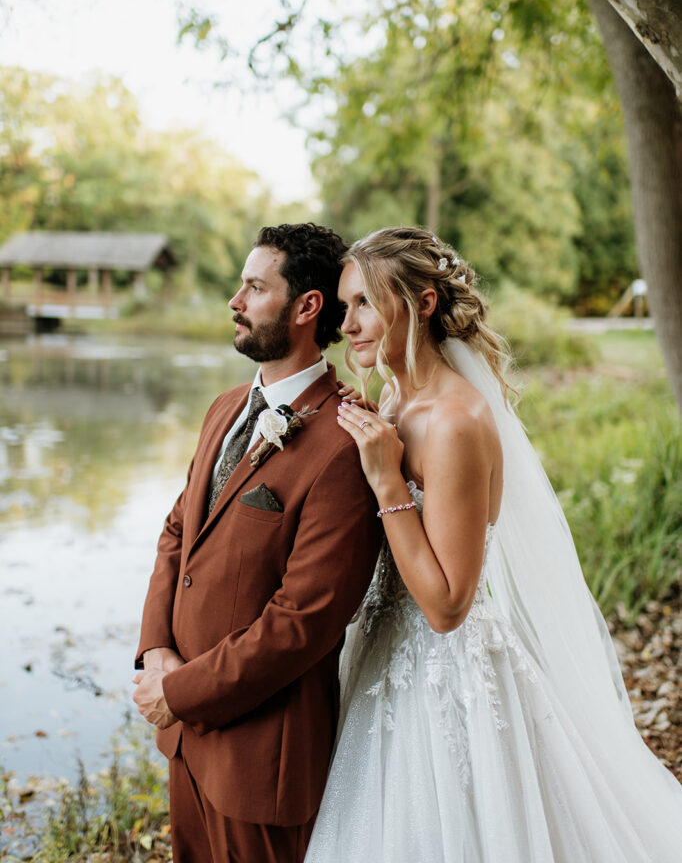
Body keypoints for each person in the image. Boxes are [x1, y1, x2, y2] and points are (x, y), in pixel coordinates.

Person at [304, 225, 682, 863]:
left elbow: (448, 607)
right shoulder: (395, 398)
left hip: (445, 680)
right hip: (381, 661)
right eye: (346, 306)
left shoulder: (455, 422)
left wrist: (386, 478)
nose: (348, 324)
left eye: (365, 302)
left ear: (423, 304)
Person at [133, 223, 380, 863]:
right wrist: (157, 649)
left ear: (306, 308)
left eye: (254, 287)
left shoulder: (343, 444)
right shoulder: (223, 408)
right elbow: (177, 531)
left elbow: (307, 620)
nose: (234, 302)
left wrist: (181, 691)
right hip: (185, 739)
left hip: (261, 759)